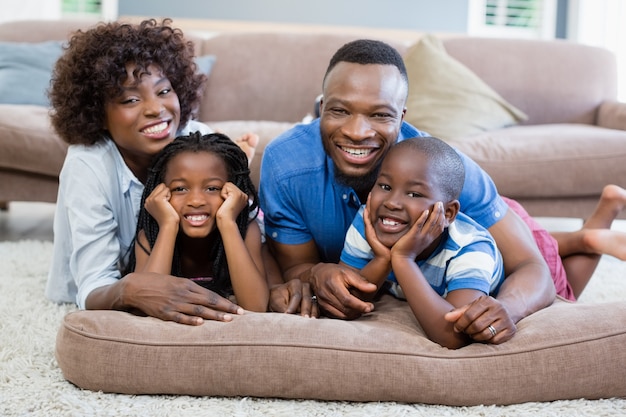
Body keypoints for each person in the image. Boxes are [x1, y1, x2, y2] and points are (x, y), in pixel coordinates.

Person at [260, 38, 556, 344]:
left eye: (380, 115)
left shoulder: (444, 170)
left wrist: (508, 307)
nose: (356, 132)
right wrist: (315, 273)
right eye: (340, 111)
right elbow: (294, 266)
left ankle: (583, 239)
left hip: (486, 240)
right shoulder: (285, 165)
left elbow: (532, 266)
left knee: (556, 259)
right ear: (322, 109)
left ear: (402, 117)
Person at [45, 19, 260, 325]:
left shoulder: (194, 135)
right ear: (96, 113)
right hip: (109, 284)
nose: (155, 108)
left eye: (163, 91)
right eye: (131, 99)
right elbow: (92, 288)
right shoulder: (87, 164)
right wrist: (132, 288)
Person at [340, 136, 505, 349]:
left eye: (414, 193)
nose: (391, 202)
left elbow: (453, 337)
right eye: (385, 186)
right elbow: (347, 300)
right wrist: (383, 258)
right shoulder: (368, 221)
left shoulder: (470, 249)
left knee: (551, 248)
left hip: (499, 253)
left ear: (447, 212)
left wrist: (402, 258)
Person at [130, 132, 269, 312]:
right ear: (160, 193)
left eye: (212, 188)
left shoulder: (246, 230)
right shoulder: (151, 235)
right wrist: (168, 225)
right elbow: (146, 305)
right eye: (180, 188)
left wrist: (227, 222)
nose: (196, 201)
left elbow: (256, 307)